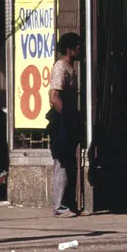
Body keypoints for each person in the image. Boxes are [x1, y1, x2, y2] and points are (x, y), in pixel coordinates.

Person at [46, 32, 83, 218]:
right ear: (69, 49)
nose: (80, 49)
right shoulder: (61, 67)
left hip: (69, 118)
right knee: (62, 162)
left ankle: (67, 203)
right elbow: (54, 96)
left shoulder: (71, 67)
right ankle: (59, 206)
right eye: (77, 46)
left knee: (68, 162)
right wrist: (67, 117)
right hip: (62, 120)